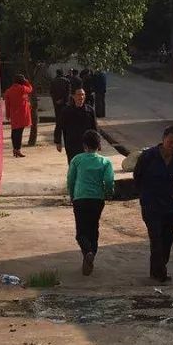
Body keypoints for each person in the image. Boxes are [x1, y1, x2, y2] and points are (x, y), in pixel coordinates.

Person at [134, 125, 173, 283]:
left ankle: (156, 269)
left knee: (167, 240)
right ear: (163, 140)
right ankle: (160, 273)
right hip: (151, 205)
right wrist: (145, 194)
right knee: (156, 239)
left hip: (170, 205)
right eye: (171, 142)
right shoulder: (148, 156)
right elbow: (137, 176)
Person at [67, 130, 115, 276]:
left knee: (81, 232)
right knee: (93, 229)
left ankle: (87, 252)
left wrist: (72, 195)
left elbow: (70, 180)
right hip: (97, 200)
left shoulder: (77, 159)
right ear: (99, 145)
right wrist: (108, 194)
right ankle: (91, 254)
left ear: (84, 145)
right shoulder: (105, 162)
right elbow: (108, 181)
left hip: (80, 198)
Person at [55, 87, 98, 165]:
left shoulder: (89, 110)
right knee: (73, 164)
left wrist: (97, 142)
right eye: (78, 95)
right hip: (72, 143)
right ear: (73, 96)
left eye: (83, 95)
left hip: (87, 144)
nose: (81, 97)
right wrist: (58, 142)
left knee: (86, 165)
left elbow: (94, 127)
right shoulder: (66, 111)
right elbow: (59, 126)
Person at [2, 74, 34, 158]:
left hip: (13, 114)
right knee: (19, 133)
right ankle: (18, 149)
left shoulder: (8, 91)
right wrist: (26, 82)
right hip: (22, 114)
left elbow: (7, 104)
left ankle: (15, 149)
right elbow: (30, 89)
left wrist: (8, 114)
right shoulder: (23, 88)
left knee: (14, 131)